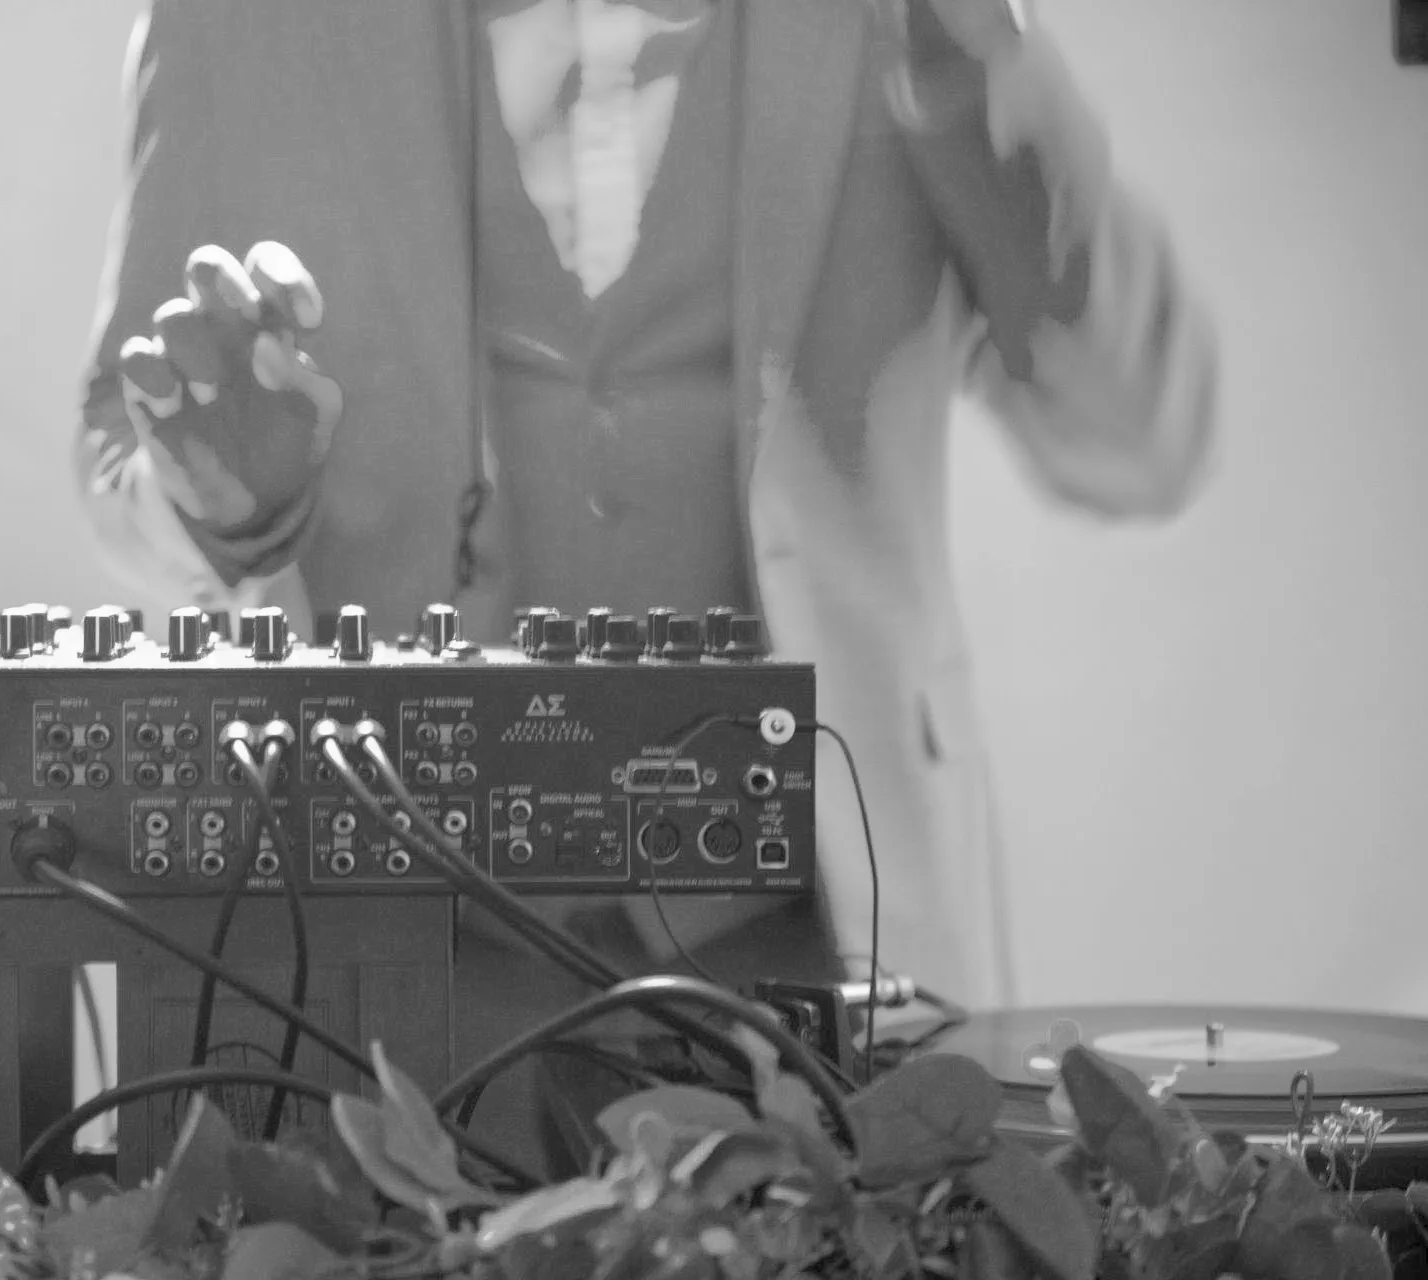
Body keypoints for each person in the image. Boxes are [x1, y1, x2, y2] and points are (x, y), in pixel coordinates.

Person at [72, 0, 1216, 1168]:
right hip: (381, 963)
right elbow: (120, 432)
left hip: (821, 937)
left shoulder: (914, 21)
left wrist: (976, 67)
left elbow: (1137, 433)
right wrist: (215, 502)